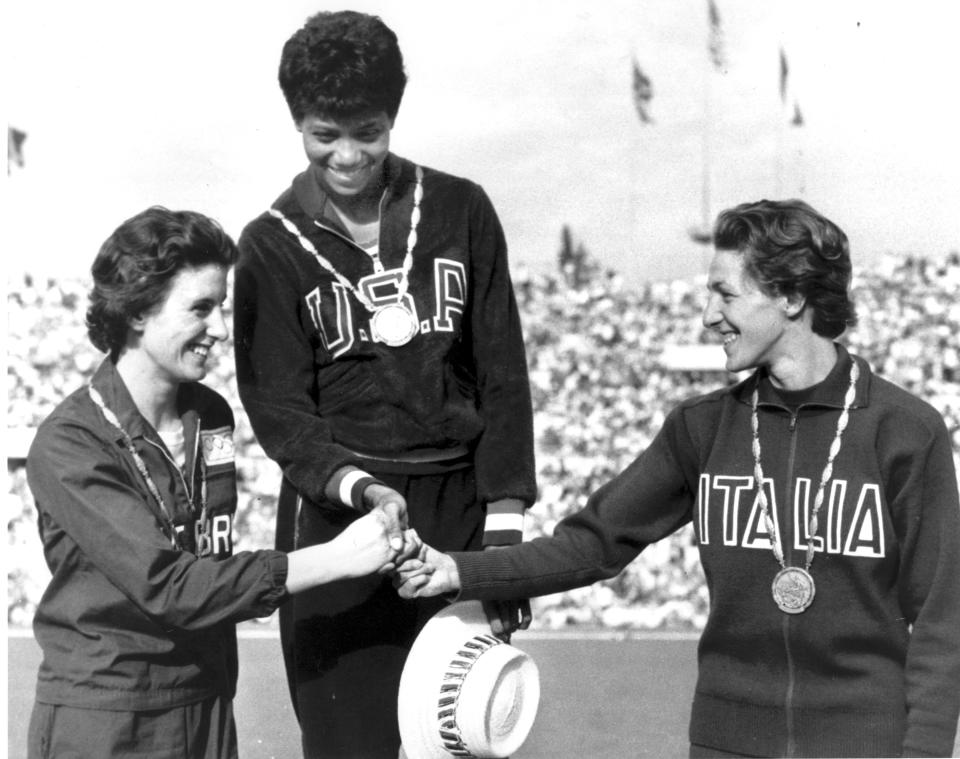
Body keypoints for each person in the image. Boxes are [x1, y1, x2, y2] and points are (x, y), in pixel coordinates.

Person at [397, 199, 960, 758]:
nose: (709, 314)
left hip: (864, 744)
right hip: (726, 741)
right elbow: (593, 543)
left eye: (726, 293)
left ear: (792, 297)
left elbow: (941, 615)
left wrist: (927, 753)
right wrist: (461, 569)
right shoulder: (702, 426)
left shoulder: (905, 431)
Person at [232, 10, 537, 759]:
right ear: (297, 124)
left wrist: (504, 528)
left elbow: (502, 373)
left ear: (393, 117)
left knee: (463, 738)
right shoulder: (268, 244)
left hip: (457, 507)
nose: (346, 155)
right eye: (322, 134)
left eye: (366, 131)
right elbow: (278, 410)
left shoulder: (462, 209)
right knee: (348, 743)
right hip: (341, 515)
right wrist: (357, 487)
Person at [25, 207, 412, 759]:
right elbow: (169, 587)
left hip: (207, 700)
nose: (222, 329)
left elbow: (210, 557)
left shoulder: (211, 415)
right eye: (201, 308)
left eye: (222, 307)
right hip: (111, 715)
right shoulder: (70, 443)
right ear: (137, 311)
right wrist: (335, 558)